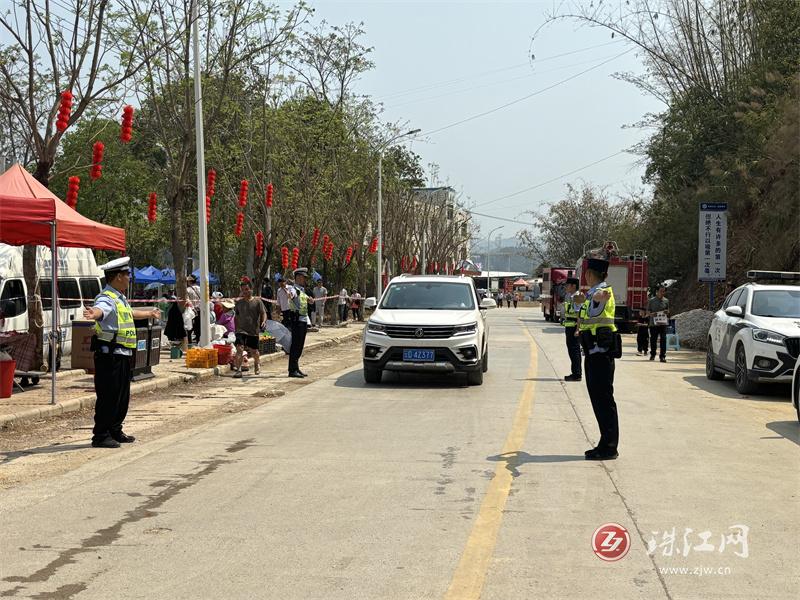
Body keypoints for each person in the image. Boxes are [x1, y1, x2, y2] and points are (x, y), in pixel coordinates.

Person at [82, 257, 160, 448]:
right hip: (109, 356)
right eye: (127, 275)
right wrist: (95, 314)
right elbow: (101, 309)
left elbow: (130, 313)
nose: (129, 278)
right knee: (108, 396)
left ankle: (115, 430)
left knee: (121, 396)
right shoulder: (106, 298)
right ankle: (100, 435)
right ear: (118, 277)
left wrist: (150, 313)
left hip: (122, 355)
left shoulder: (119, 298)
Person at [573, 258, 619, 461]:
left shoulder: (602, 292)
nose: (585, 276)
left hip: (601, 355)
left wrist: (598, 295)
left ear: (590, 274)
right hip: (593, 353)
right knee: (598, 401)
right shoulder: (591, 294)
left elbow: (604, 295)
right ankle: (604, 442)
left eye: (586, 273)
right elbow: (580, 306)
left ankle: (609, 447)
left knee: (604, 401)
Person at [233, 276, 267, 379]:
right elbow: (236, 316)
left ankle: (257, 363)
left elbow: (263, 313)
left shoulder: (257, 302)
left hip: (253, 331)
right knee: (239, 349)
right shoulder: (238, 303)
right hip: (240, 330)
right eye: (243, 290)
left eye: (247, 289)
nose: (245, 292)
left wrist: (263, 321)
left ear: (251, 290)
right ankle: (238, 370)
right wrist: (235, 329)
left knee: (254, 351)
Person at [287, 268, 311, 378]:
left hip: (303, 320)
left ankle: (296, 368)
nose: (305, 279)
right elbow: (291, 295)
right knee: (296, 345)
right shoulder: (293, 289)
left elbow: (304, 300)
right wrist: (290, 295)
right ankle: (292, 370)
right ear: (298, 277)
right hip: (297, 321)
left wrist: (309, 300)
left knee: (300, 346)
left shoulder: (301, 290)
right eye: (303, 277)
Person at [562, 277, 582, 382]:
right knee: (572, 351)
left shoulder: (577, 297)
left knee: (574, 351)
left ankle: (577, 374)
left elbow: (580, 315)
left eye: (567, 285)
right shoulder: (571, 296)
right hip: (570, 327)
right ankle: (575, 373)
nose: (566, 287)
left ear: (573, 286)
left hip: (574, 327)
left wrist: (578, 329)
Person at [647, 285, 670, 362]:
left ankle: (662, 356)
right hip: (653, 324)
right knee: (653, 339)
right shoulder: (651, 301)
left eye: (664, 291)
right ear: (657, 292)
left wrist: (667, 312)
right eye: (661, 291)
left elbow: (668, 311)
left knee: (663, 339)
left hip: (663, 323)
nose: (662, 293)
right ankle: (652, 354)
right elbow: (648, 311)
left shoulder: (666, 301)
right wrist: (651, 314)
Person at [186, 273, 201, 343]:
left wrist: (193, 308)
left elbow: (188, 301)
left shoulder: (188, 290)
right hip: (200, 310)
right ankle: (198, 341)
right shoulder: (201, 288)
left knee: (189, 327)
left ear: (189, 281)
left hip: (191, 311)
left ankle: (189, 342)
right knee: (198, 327)